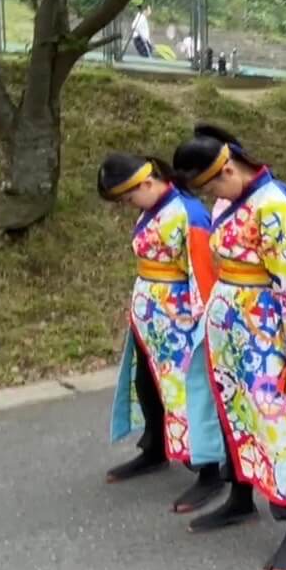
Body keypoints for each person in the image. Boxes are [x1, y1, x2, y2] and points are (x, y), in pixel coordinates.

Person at [173, 124, 286, 570]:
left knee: (278, 417)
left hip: (266, 327)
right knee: (235, 412)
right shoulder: (230, 200)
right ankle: (240, 496)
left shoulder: (272, 204)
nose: (213, 194)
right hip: (230, 324)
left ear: (228, 167)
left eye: (213, 183)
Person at [96, 152, 225, 515]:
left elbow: (203, 274)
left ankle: (208, 469)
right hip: (151, 320)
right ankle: (154, 447)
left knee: (188, 396)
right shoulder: (153, 210)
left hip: (180, 324)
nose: (127, 205)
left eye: (128, 197)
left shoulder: (190, 213)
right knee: (147, 386)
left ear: (148, 183)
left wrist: (203, 324)